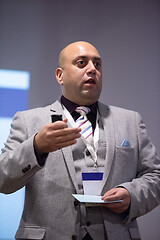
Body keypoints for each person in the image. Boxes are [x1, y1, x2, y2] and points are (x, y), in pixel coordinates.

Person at [0, 41, 160, 240]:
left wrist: (132, 195)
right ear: (60, 75)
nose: (92, 69)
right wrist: (36, 147)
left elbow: (155, 176)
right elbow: (2, 179)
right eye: (81, 63)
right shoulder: (28, 121)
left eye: (98, 65)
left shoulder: (131, 121)